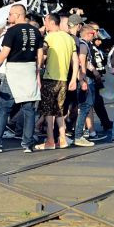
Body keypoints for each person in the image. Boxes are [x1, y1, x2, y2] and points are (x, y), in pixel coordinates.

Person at [0, 4, 43, 153]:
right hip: (30, 69)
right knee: (29, 109)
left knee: (3, 108)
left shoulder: (12, 31)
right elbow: (39, 53)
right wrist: (37, 69)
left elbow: (4, 53)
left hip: (14, 70)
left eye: (10, 14)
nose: (8, 17)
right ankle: (27, 143)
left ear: (18, 15)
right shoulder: (35, 31)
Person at [39, 12, 78, 149]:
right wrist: (73, 78)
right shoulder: (69, 38)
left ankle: (50, 140)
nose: (44, 24)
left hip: (50, 78)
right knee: (59, 110)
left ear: (51, 22)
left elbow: (42, 52)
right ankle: (62, 139)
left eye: (45, 21)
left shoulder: (49, 37)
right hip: (63, 79)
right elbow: (75, 60)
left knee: (49, 111)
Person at [70, 24, 98, 147]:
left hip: (84, 79)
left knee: (83, 106)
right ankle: (78, 135)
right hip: (84, 80)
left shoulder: (84, 44)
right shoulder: (83, 45)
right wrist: (83, 80)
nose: (95, 35)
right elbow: (81, 63)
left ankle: (75, 133)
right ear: (88, 34)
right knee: (85, 106)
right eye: (93, 33)